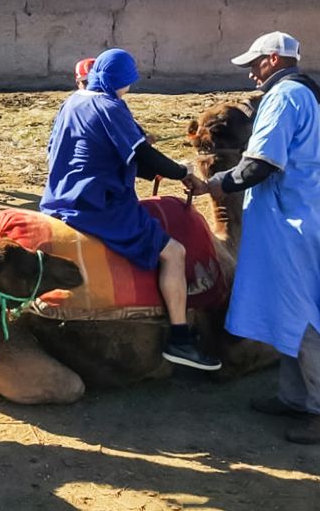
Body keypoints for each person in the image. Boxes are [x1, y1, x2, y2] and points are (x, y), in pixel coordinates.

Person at [194, 31, 320, 444]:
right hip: (297, 214)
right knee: (288, 308)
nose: (251, 74)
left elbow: (261, 162)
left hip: (292, 220)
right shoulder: (301, 96)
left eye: (255, 64)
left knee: (304, 311)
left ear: (274, 59)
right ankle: (295, 396)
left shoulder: (282, 98)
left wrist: (216, 183)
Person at [40, 48, 221, 370]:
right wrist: (184, 174)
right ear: (121, 80)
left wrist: (146, 154)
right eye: (128, 82)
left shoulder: (73, 102)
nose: (128, 89)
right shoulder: (111, 106)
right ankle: (180, 339)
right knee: (174, 252)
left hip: (58, 198)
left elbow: (106, 152)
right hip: (96, 205)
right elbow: (144, 159)